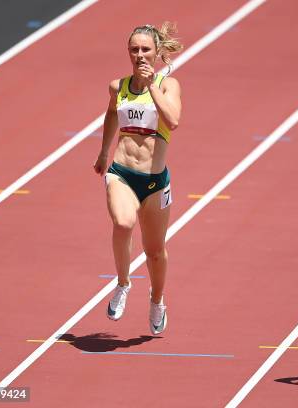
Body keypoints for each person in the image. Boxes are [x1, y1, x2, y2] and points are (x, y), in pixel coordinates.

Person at [93, 23, 183, 335]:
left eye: (146, 49)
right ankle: (122, 283)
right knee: (123, 223)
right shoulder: (118, 87)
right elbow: (111, 114)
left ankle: (157, 300)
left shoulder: (169, 86)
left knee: (155, 251)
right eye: (135, 49)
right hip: (122, 173)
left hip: (155, 181)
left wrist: (152, 86)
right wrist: (105, 152)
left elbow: (173, 119)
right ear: (128, 52)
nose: (140, 54)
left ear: (158, 53)